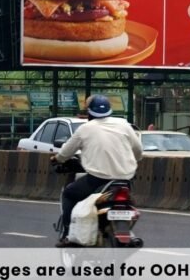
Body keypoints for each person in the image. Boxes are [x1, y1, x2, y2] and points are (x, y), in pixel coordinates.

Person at [52, 95, 142, 247]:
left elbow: (65, 152)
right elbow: (138, 151)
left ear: (89, 113)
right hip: (125, 180)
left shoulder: (85, 129)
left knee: (68, 194)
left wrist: (57, 159)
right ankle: (129, 234)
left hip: (98, 180)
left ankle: (67, 233)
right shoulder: (124, 125)